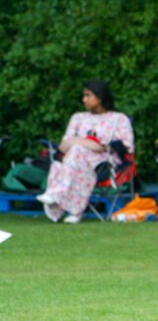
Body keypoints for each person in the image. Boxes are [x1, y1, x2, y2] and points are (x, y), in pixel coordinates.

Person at [37, 80, 134, 224]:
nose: (84, 99)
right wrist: (87, 144)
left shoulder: (118, 119)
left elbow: (127, 147)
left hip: (104, 163)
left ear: (100, 97)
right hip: (75, 161)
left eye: (88, 95)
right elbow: (64, 145)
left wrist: (85, 144)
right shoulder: (78, 118)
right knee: (75, 153)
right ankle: (75, 211)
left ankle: (58, 196)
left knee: (77, 150)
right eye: (84, 96)